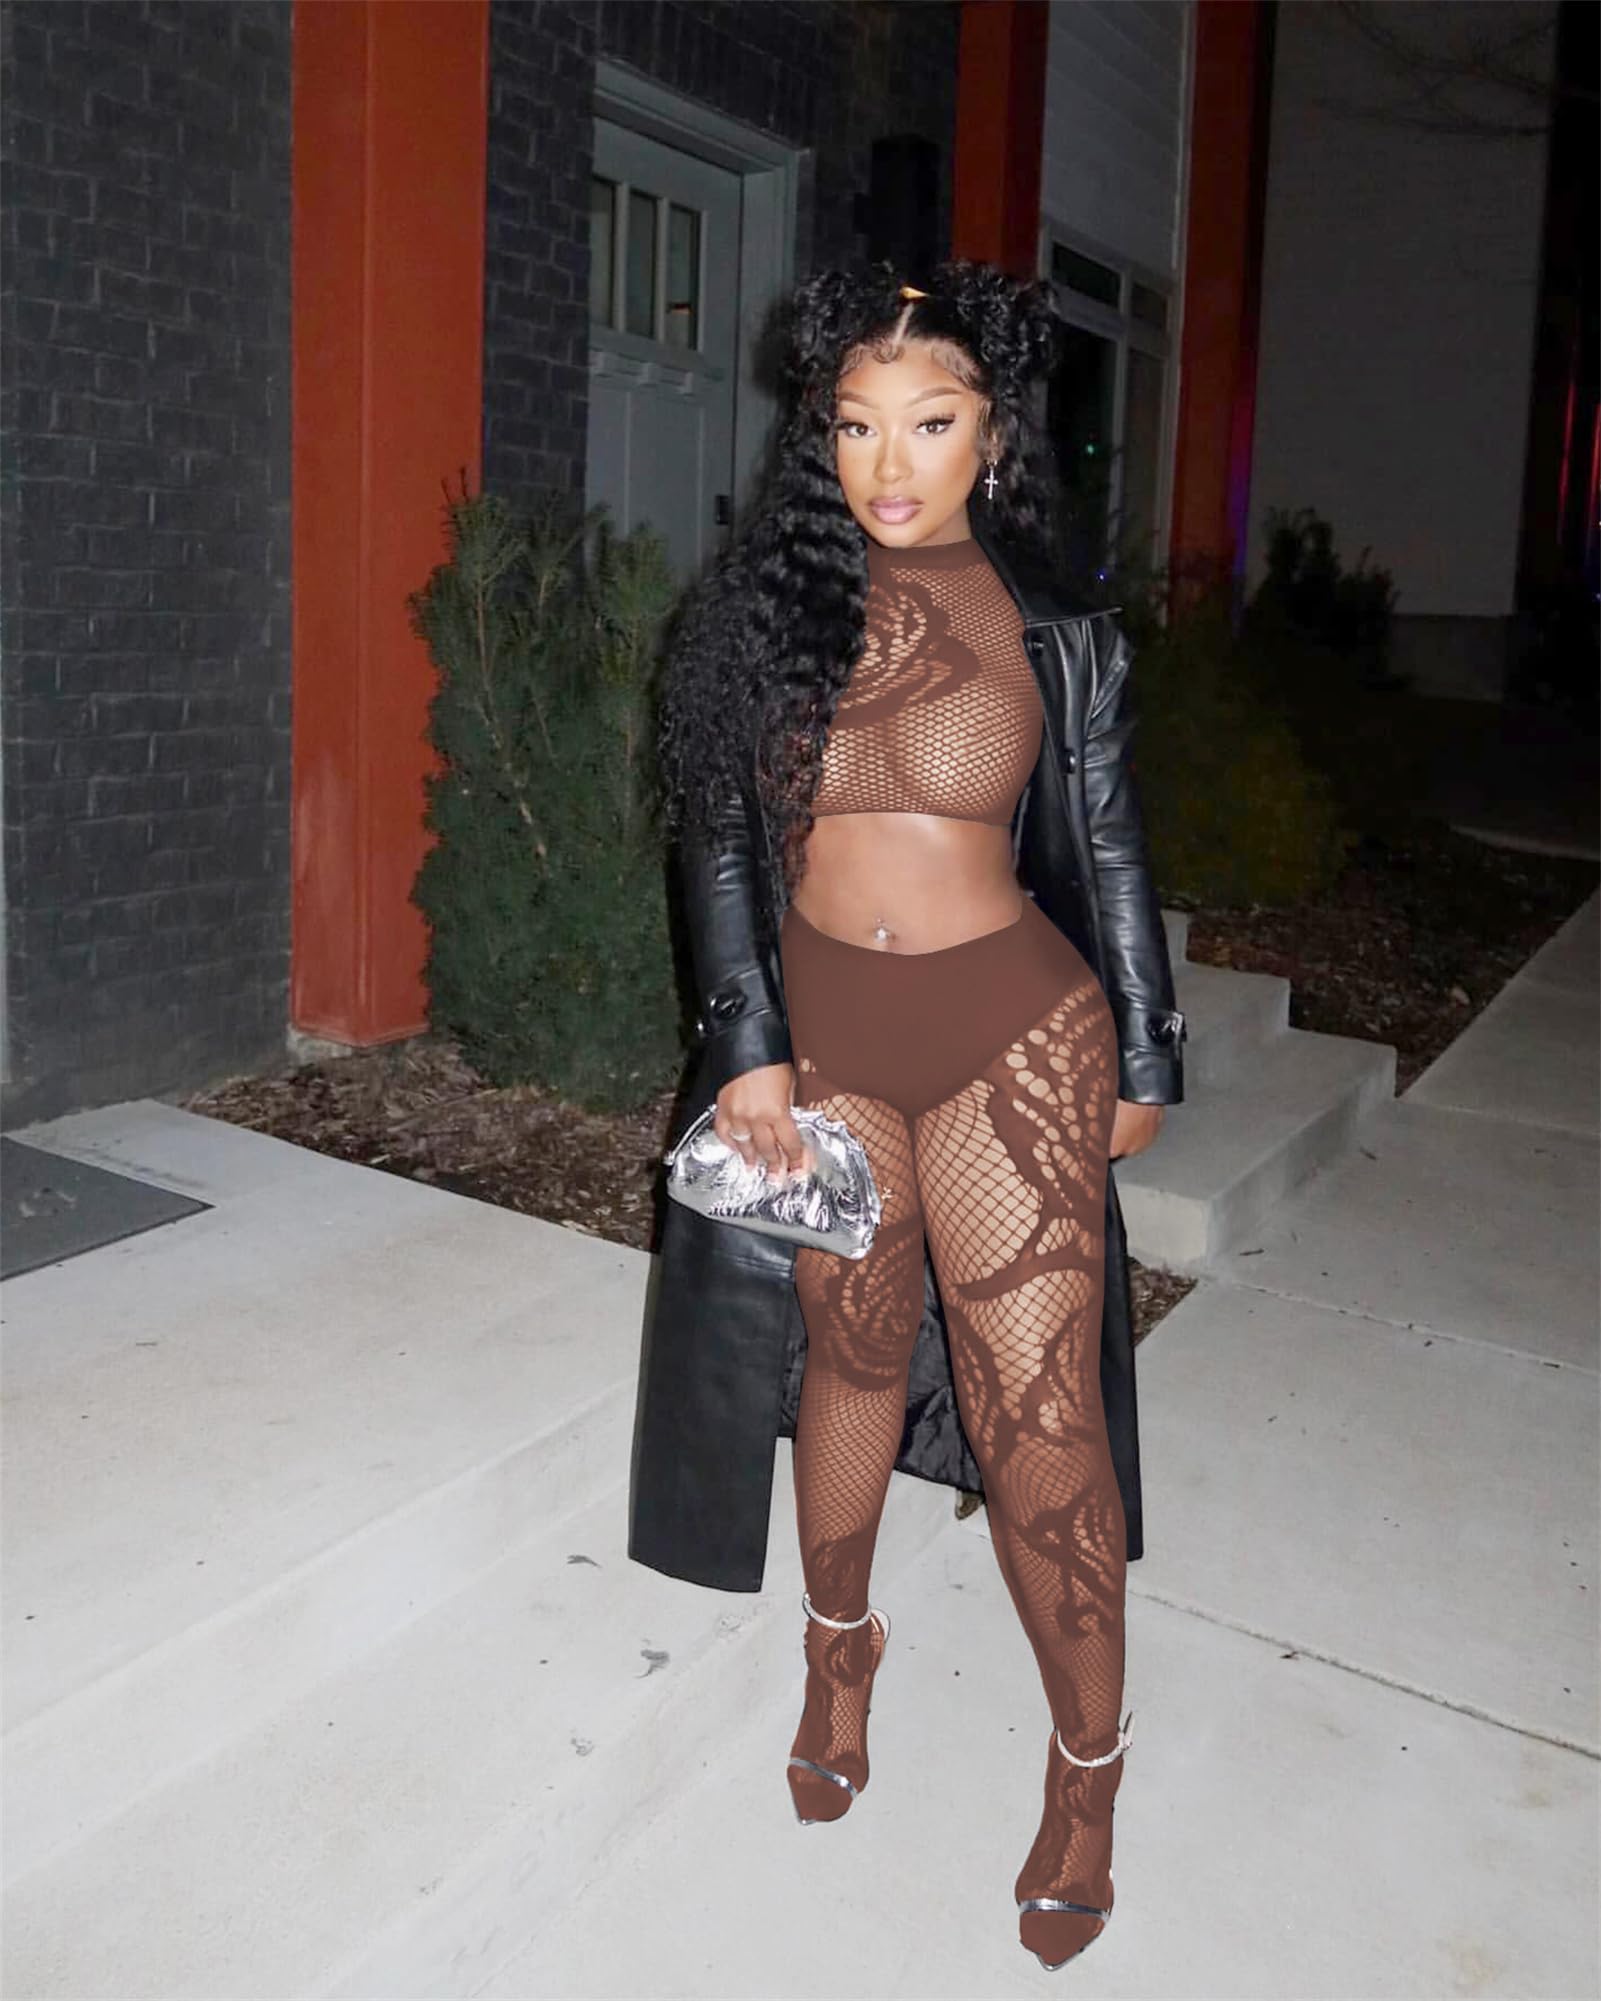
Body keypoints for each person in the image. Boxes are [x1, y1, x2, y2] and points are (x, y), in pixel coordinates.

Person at [634, 261, 1185, 1971]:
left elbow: (1105, 844)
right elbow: (719, 843)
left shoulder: (1054, 627)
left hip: (1012, 1028)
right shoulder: (760, 616)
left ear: (990, 433)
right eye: (857, 424)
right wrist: (745, 1043)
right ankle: (839, 1646)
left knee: (1038, 1420)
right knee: (852, 1352)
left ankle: (1085, 1774)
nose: (889, 461)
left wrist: (1147, 1056)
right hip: (824, 1041)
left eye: (928, 423)